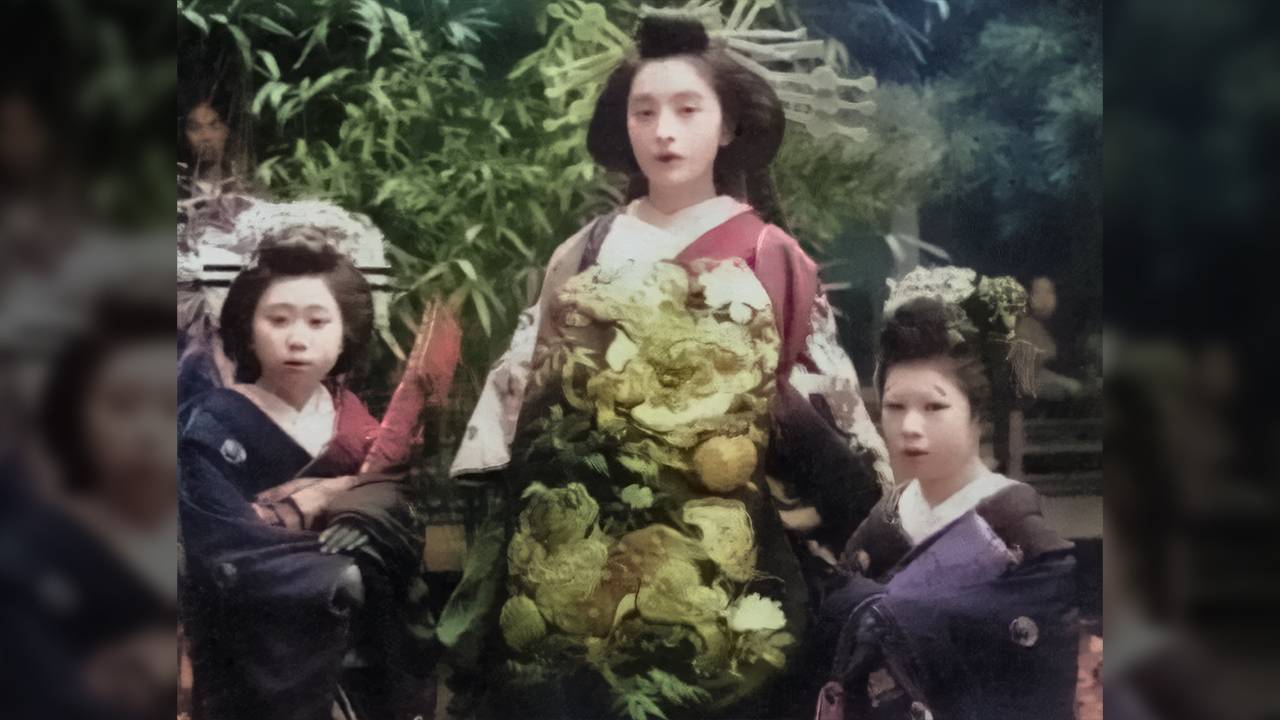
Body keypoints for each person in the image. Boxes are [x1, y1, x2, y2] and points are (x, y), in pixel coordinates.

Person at [439, 15, 890, 719]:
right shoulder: (582, 252)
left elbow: (813, 411)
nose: (664, 132)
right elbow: (529, 399)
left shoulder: (772, 254)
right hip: (585, 547)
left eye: (687, 110)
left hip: (722, 539)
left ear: (728, 124)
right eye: (644, 112)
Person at [178, 230, 432, 720]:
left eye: (318, 321)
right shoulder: (211, 424)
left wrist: (347, 496)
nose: (297, 339)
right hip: (258, 644)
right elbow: (221, 543)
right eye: (277, 320)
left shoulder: (357, 422)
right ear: (247, 328)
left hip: (360, 646)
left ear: (346, 333)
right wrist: (336, 572)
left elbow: (400, 505)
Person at [814, 268, 1079, 720]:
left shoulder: (1020, 540)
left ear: (978, 412)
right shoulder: (884, 519)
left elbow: (1039, 699)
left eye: (934, 406)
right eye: (895, 406)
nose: (909, 426)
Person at [1, 295, 176, 720]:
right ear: (74, 415)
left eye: (174, 406)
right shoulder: (27, 559)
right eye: (122, 405)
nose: (147, 432)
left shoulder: (233, 529)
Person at [1017, 275, 1085, 401]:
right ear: (1028, 296)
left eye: (1049, 292)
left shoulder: (1060, 325)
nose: (1045, 299)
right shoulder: (1023, 327)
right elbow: (1024, 379)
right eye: (1038, 292)